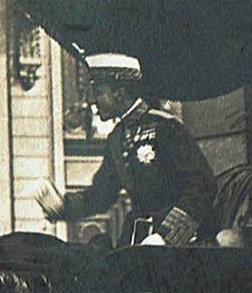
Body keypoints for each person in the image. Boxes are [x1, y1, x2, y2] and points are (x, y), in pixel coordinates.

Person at [36, 53, 218, 247]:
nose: (93, 101)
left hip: (186, 244)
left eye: (99, 92)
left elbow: (202, 186)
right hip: (139, 239)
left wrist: (166, 236)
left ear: (119, 93)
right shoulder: (117, 138)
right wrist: (63, 207)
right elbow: (101, 195)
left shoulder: (165, 128)